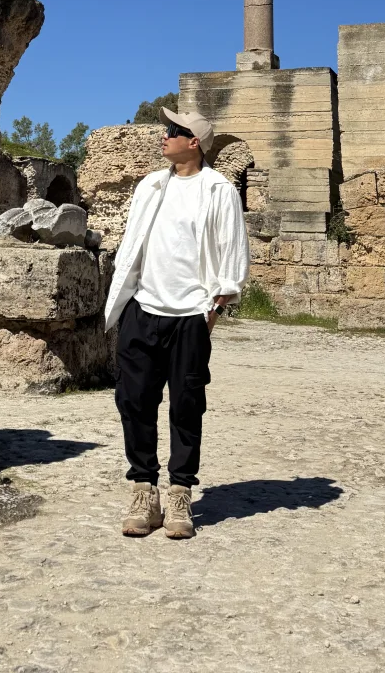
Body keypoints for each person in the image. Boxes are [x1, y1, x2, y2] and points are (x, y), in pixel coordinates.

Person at [103, 107, 250, 539]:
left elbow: (232, 251)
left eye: (174, 130)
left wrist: (213, 312)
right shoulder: (150, 185)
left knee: (186, 405)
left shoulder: (219, 190)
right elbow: (132, 243)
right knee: (134, 401)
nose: (164, 135)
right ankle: (144, 491)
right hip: (142, 308)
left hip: (190, 315)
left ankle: (181, 493)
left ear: (194, 142)